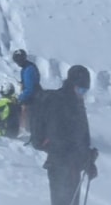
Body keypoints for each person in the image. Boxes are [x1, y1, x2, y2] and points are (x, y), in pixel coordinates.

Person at [38, 65, 98, 205]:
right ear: (72, 85)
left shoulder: (77, 104)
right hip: (60, 166)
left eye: (85, 90)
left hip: (72, 167)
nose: (83, 94)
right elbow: (61, 138)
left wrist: (88, 160)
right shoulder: (59, 103)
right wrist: (81, 159)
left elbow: (82, 137)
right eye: (81, 89)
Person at [13, 48, 42, 131]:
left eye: (18, 61)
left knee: (24, 110)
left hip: (33, 97)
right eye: (16, 61)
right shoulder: (26, 68)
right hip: (33, 94)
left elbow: (30, 89)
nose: (18, 63)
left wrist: (20, 98)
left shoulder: (29, 69)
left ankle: (26, 128)